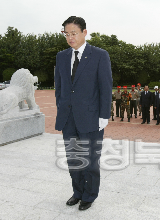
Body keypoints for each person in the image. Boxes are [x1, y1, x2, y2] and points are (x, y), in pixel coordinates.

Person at [55, 16, 112, 211]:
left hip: (91, 118)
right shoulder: (61, 57)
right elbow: (59, 88)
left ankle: (90, 195)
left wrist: (104, 115)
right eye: (66, 34)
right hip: (68, 119)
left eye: (74, 33)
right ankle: (77, 192)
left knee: (90, 160)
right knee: (73, 160)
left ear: (84, 33)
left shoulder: (99, 55)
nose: (70, 38)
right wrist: (61, 108)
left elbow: (105, 87)